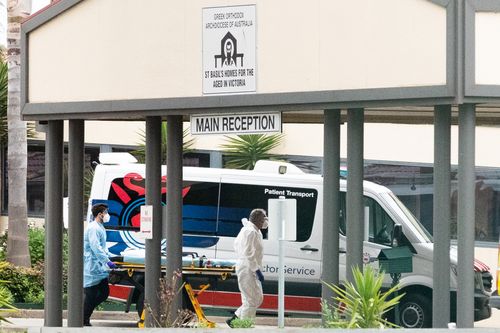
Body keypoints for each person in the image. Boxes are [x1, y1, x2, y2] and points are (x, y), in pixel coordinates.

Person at [227, 208, 268, 327]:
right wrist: (256, 270)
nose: (266, 221)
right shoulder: (250, 231)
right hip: (247, 268)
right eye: (264, 218)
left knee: (257, 298)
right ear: (258, 219)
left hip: (250, 268)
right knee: (250, 300)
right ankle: (243, 326)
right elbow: (248, 253)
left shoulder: (254, 231)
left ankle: (235, 320)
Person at [83, 203, 117, 326]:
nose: (107, 215)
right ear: (100, 214)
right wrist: (106, 261)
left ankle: (84, 315)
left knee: (103, 293)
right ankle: (84, 318)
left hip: (99, 267)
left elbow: (102, 247)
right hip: (92, 266)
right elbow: (95, 247)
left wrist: (110, 258)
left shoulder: (100, 227)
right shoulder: (93, 228)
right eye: (106, 212)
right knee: (91, 295)